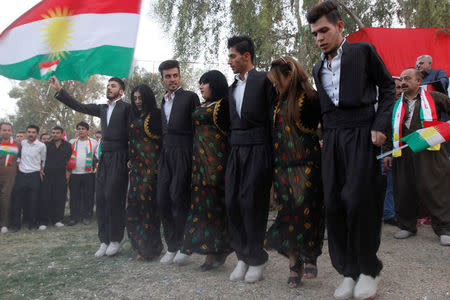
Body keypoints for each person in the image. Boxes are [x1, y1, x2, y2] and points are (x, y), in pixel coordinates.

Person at [307, 1, 395, 299]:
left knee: (359, 203)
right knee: (333, 204)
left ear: (340, 27)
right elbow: (324, 107)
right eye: (315, 33)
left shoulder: (362, 52)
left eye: (324, 30)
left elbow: (387, 88)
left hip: (362, 134)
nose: (319, 38)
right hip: (332, 139)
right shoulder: (318, 66)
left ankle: (368, 270)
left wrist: (381, 125)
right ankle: (347, 271)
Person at [49, 75, 130, 257]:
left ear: (121, 91)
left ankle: (116, 238)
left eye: (113, 86)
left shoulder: (127, 108)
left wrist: (131, 156)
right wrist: (60, 91)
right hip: (104, 158)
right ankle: (104, 240)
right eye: (108, 85)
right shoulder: (101, 108)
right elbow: (80, 106)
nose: (109, 88)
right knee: (100, 198)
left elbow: (134, 132)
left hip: (120, 156)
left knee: (113, 197)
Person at [265, 57, 325, 288]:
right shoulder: (277, 102)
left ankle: (310, 255)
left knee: (307, 215)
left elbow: (321, 129)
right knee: (287, 214)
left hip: (307, 167)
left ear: (289, 75)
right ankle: (294, 264)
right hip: (282, 168)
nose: (275, 85)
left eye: (277, 80)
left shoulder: (309, 98)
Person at [226, 35, 275, 283]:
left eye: (233, 55)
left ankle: (257, 258)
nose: (229, 60)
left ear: (247, 56)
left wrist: (272, 156)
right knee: (233, 202)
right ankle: (242, 256)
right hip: (236, 150)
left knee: (252, 204)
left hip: (259, 148)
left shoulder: (265, 80)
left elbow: (273, 120)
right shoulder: (231, 87)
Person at [383, 67, 450, 246]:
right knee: (403, 189)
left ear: (418, 81)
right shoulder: (395, 104)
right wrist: (387, 152)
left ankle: (444, 229)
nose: (403, 82)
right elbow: (389, 130)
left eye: (407, 78)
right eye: (402, 79)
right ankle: (407, 226)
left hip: (431, 154)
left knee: (435, 189)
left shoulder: (435, 98)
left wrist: (446, 128)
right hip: (403, 154)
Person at [180, 70, 232, 271]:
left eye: (205, 83)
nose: (200, 87)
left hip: (217, 164)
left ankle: (213, 254)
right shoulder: (201, 106)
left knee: (215, 209)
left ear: (215, 84)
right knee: (201, 208)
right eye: (199, 83)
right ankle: (213, 250)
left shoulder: (224, 105)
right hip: (198, 164)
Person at [157, 60, 200, 265]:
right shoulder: (163, 100)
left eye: (175, 75)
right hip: (166, 154)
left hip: (184, 152)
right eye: (168, 76)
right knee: (163, 198)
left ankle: (185, 246)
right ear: (162, 79)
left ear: (180, 76)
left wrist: (195, 157)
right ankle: (172, 246)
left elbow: (198, 129)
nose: (172, 79)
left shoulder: (190, 97)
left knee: (179, 198)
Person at [126, 84, 163, 260]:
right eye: (135, 99)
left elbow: (162, 142)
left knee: (149, 207)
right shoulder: (133, 116)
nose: (138, 102)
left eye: (140, 98)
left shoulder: (156, 115)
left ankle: (151, 248)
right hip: (136, 169)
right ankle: (140, 246)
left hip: (151, 169)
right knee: (135, 206)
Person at [9, 125, 46, 232]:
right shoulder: (22, 144)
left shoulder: (41, 146)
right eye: (29, 132)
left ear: (37, 134)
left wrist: (41, 170)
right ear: (26, 133)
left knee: (33, 201)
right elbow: (18, 156)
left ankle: (33, 224)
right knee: (17, 201)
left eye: (33, 132)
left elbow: (43, 160)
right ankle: (16, 225)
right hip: (21, 175)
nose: (31, 134)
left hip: (34, 175)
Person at [39, 126, 72, 230]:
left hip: (61, 174)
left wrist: (68, 172)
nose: (55, 134)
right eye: (53, 132)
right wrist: (40, 169)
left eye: (57, 133)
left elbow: (69, 160)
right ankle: (44, 221)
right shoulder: (46, 145)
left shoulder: (67, 145)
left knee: (60, 198)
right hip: (47, 174)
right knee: (46, 197)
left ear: (62, 134)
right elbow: (40, 159)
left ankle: (57, 220)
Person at [67, 121, 98, 226]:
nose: (81, 131)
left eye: (83, 129)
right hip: (74, 173)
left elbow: (98, 156)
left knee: (88, 196)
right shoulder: (72, 142)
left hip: (88, 174)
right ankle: (74, 217)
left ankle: (87, 216)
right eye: (79, 129)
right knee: (74, 196)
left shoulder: (93, 142)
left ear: (87, 130)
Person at [383, 78, 402, 226]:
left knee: (397, 184)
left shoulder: (406, 106)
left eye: (401, 87)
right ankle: (389, 213)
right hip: (385, 152)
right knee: (388, 184)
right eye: (396, 87)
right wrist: (387, 153)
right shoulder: (383, 107)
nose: (399, 90)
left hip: (404, 152)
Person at [0, 122, 19, 233]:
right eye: (4, 130)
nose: (6, 132)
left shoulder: (17, 145)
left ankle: (4, 224)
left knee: (5, 199)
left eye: (8, 130)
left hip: (9, 177)